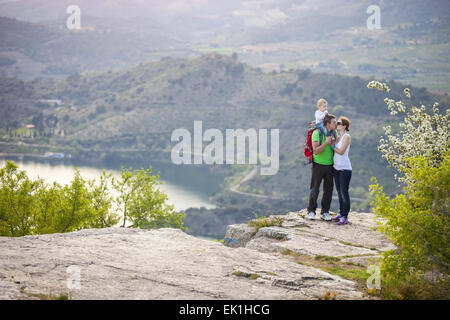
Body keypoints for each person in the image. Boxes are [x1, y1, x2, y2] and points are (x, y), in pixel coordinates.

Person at [307, 113, 337, 221]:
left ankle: (325, 212)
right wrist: (326, 143)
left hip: (330, 165)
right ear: (327, 124)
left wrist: (333, 143)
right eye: (334, 122)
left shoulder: (334, 133)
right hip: (318, 165)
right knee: (315, 189)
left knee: (328, 190)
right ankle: (311, 211)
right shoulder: (317, 133)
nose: (336, 124)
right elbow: (316, 151)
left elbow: (336, 149)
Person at [331, 116, 352, 225]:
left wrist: (332, 146)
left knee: (344, 193)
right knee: (339, 192)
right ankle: (341, 212)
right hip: (336, 169)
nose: (337, 125)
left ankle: (345, 216)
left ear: (344, 126)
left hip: (344, 169)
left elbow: (341, 151)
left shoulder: (346, 137)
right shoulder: (338, 137)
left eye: (339, 123)